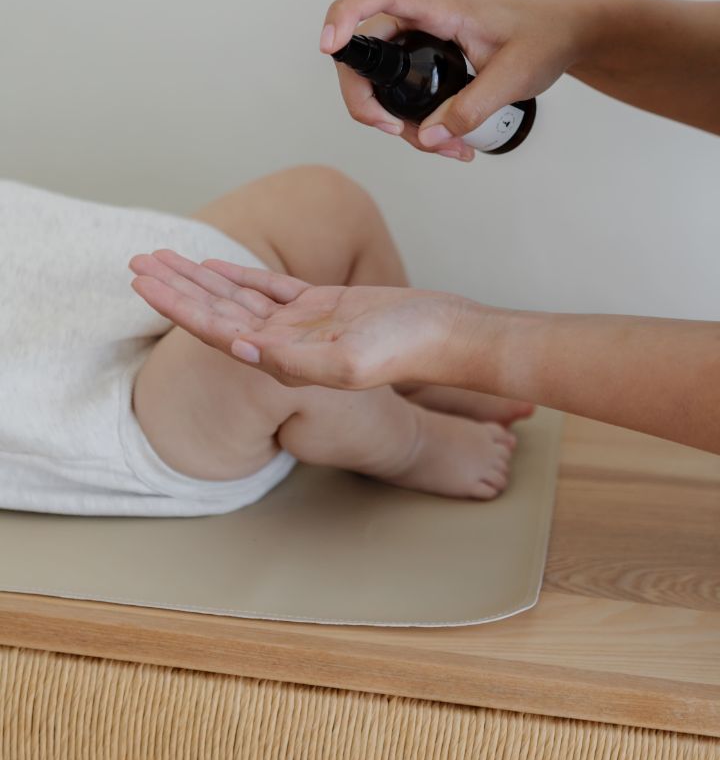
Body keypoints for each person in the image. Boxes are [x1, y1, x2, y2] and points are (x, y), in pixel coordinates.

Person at [130, 0, 720, 455]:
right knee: (321, 203)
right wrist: (579, 27)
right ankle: (410, 425)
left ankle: (407, 424)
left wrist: (468, 344)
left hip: (108, 370)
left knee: (258, 347)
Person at [0, 170, 530, 518]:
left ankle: (404, 372)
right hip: (122, 405)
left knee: (324, 202)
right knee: (269, 357)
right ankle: (409, 441)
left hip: (124, 281)